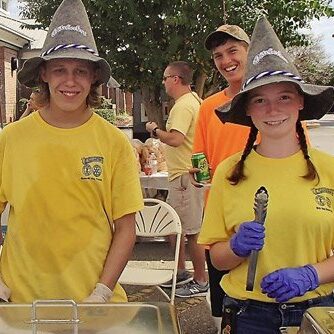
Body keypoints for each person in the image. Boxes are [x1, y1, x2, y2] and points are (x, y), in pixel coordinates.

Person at [0, 0, 143, 303]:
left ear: (93, 78)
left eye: (80, 70)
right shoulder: (10, 139)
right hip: (23, 303)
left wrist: (103, 291)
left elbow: (126, 229)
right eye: (59, 69)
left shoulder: (113, 142)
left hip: (91, 302)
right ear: (44, 75)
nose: (70, 81)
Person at [199, 16, 334, 333]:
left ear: (300, 101)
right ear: (247, 109)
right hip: (248, 316)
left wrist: (311, 274)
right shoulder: (228, 173)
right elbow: (217, 259)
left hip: (318, 312)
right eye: (260, 99)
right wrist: (235, 248)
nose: (273, 110)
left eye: (284, 97)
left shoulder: (328, 169)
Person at [191, 24, 251, 331]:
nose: (225, 60)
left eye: (232, 51)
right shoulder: (208, 106)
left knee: (260, 298)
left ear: (249, 51)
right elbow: (202, 158)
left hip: (262, 215)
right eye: (218, 55)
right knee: (223, 307)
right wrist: (197, 173)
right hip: (219, 217)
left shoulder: (274, 101)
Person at [146, 61, 208, 297]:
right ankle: (181, 272)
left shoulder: (183, 106)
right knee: (177, 229)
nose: (163, 83)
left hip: (184, 176)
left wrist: (154, 130)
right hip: (186, 174)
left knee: (191, 232)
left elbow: (175, 139)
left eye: (164, 78)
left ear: (175, 79)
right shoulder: (195, 101)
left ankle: (201, 280)